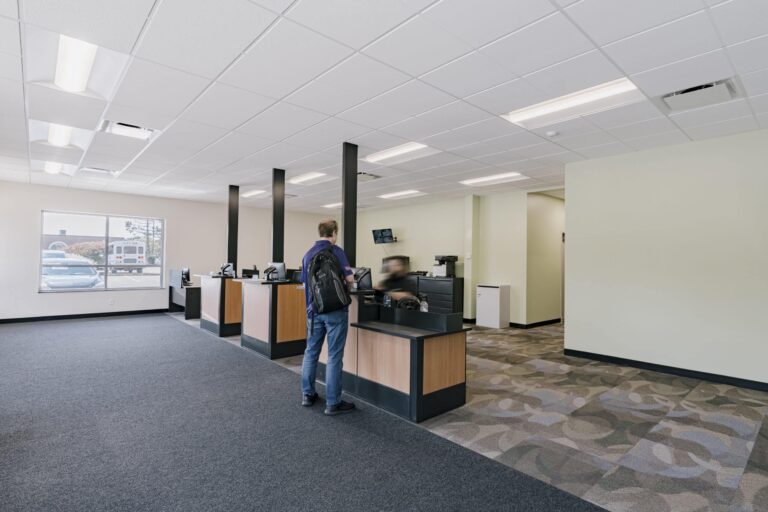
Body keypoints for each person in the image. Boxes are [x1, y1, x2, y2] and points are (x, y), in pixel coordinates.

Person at [300, 219, 356, 416]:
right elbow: (350, 279)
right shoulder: (336, 251)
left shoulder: (307, 254)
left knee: (311, 352)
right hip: (335, 312)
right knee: (334, 356)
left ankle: (307, 395)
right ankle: (333, 403)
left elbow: (305, 284)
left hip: (313, 312)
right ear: (333, 232)